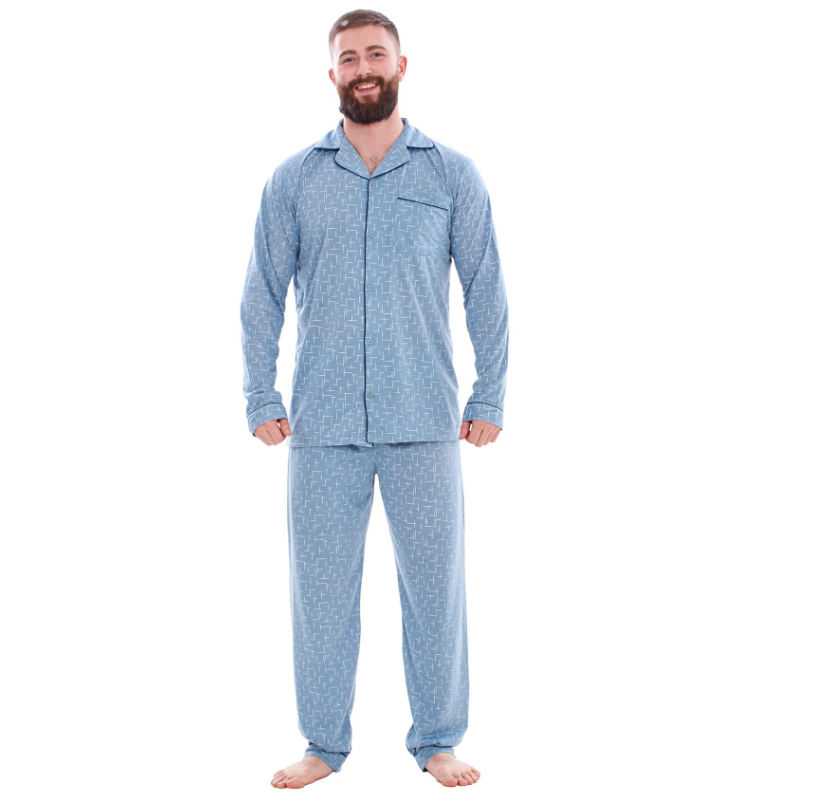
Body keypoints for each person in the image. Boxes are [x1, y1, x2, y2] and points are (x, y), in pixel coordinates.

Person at [240, 9, 509, 789]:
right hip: (320, 424)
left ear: (400, 66)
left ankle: (438, 738)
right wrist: (260, 391)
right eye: (349, 57)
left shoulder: (450, 174)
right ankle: (323, 742)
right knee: (321, 595)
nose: (363, 68)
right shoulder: (293, 179)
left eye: (375, 55)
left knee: (435, 591)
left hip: (424, 418)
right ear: (332, 74)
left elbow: (486, 290)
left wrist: (490, 392)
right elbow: (260, 292)